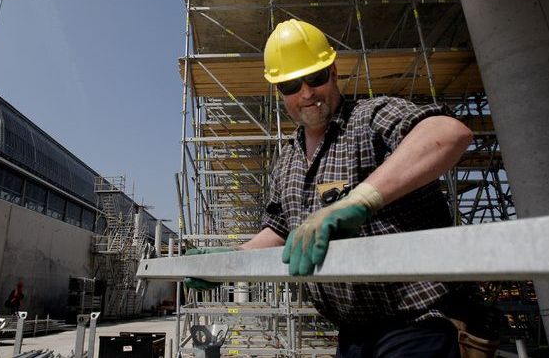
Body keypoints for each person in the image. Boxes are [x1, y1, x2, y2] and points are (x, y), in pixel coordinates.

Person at [186, 19, 474, 357]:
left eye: (316, 78)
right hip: (351, 333)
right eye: (292, 85)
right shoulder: (288, 161)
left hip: (417, 323)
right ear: (279, 91)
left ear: (334, 72)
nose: (307, 93)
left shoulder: (369, 118)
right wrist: (234, 260)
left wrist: (359, 201)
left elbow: (449, 134)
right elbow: (279, 231)